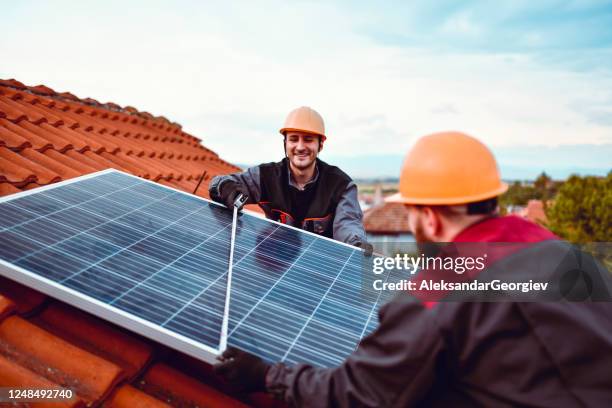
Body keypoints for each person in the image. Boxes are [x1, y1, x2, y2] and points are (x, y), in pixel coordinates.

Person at [214, 131, 612, 406]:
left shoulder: (435, 294)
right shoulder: (562, 250)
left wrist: (268, 376)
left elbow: (361, 394)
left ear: (430, 219)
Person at [209, 106, 370, 250]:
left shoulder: (340, 186)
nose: (300, 147)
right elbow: (221, 183)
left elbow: (348, 224)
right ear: (285, 142)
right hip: (280, 262)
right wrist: (223, 187)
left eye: (308, 139)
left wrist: (357, 247)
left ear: (320, 144)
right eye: (294, 139)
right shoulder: (266, 176)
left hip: (322, 270)